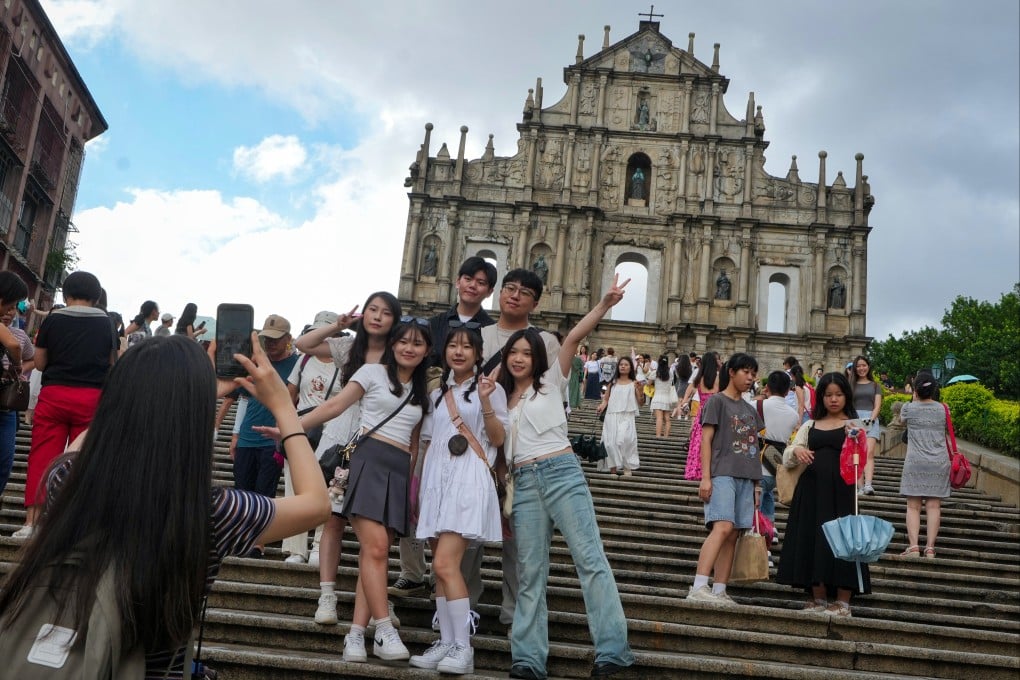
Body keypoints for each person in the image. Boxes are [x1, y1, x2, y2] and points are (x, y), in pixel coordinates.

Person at [0, 334, 329, 677]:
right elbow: (317, 504)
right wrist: (282, 406)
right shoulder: (214, 512)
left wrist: (139, 392)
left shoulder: (65, 480)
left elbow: (92, 442)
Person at [261, 315, 432, 663]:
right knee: (378, 548)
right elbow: (333, 406)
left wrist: (412, 488)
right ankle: (383, 628)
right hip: (368, 461)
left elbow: (414, 445)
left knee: (375, 555)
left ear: (427, 349)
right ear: (393, 344)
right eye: (403, 341)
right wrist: (290, 428)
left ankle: (356, 636)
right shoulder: (371, 373)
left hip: (397, 471)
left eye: (417, 343)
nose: (409, 348)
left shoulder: (421, 389)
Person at [497, 273, 634, 679]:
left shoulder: (551, 381)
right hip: (522, 484)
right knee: (529, 573)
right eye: (514, 352)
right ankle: (527, 658)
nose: (519, 357)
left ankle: (612, 651)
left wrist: (604, 304)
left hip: (562, 473)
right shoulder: (499, 398)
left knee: (590, 560)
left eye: (527, 352)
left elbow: (573, 337)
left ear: (538, 357)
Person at [292, 292, 401, 624]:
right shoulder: (349, 348)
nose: (377, 317)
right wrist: (336, 326)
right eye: (372, 310)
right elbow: (303, 344)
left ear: (395, 319)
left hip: (382, 437)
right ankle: (327, 595)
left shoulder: (401, 351)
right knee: (334, 519)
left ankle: (374, 594)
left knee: (378, 527)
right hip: (342, 434)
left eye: (385, 312)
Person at [410, 326, 507, 674]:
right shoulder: (437, 394)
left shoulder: (489, 390)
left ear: (478, 354)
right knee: (440, 568)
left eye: (467, 346)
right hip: (438, 481)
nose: (459, 351)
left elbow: (498, 439)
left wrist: (485, 401)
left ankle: (463, 648)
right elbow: (427, 443)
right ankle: (448, 642)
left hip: (468, 479)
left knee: (446, 565)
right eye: (453, 345)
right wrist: (417, 486)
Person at [479, 268, 560, 631]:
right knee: (466, 537)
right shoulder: (477, 336)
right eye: (508, 288)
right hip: (477, 454)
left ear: (536, 301)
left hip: (522, 459)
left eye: (523, 291)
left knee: (521, 541)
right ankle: (461, 605)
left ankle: (515, 612)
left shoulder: (547, 341)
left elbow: (551, 396)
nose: (514, 295)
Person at [15, 272, 118, 538]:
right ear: (96, 297)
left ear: (65, 294)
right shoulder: (106, 322)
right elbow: (112, 364)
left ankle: (32, 523)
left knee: (42, 455)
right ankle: (77, 525)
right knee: (83, 460)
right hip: (92, 399)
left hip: (54, 395)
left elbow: (39, 363)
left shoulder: (53, 319)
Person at [776, 372, 868, 617]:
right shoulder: (810, 424)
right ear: (821, 397)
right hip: (811, 491)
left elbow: (864, 457)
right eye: (828, 395)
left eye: (838, 394)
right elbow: (788, 453)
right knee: (812, 539)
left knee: (845, 541)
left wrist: (857, 441)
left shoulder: (853, 424)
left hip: (842, 491)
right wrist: (797, 452)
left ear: (846, 396)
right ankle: (818, 599)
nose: (834, 399)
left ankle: (843, 603)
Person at [685, 353, 762, 605]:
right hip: (721, 472)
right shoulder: (716, 402)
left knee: (734, 534)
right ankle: (698, 585)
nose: (750, 378)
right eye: (746, 372)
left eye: (753, 374)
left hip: (746, 477)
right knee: (722, 527)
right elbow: (706, 440)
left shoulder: (751, 410)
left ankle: (719, 590)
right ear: (732, 372)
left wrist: (757, 485)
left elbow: (754, 448)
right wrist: (705, 477)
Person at [281, 311, 343, 566]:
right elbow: (290, 393)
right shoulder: (304, 360)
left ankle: (319, 545)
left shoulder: (346, 362)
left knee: (329, 489)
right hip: (301, 430)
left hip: (333, 433)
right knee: (295, 488)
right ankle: (295, 548)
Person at [894, 371, 950, 558]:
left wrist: (914, 398)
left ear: (915, 390)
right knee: (934, 507)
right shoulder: (944, 409)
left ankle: (914, 547)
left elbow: (901, 423)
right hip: (939, 463)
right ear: (934, 389)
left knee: (913, 507)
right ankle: (930, 548)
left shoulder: (909, 408)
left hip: (915, 462)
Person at [756, 371, 800, 527]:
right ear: (787, 391)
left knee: (755, 509)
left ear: (767, 387)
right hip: (776, 466)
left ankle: (761, 535)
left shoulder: (756, 405)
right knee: (768, 494)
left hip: (758, 464)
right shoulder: (794, 415)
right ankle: (771, 529)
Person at [0, 271, 29, 497]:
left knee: (4, 463)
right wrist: (17, 366)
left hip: (5, 406)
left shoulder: (15, 330)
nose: (11, 312)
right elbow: (14, 345)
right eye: (9, 306)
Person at [675, 352, 721, 480]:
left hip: (701, 413)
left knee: (698, 442)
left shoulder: (699, 378)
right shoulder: (717, 378)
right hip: (714, 413)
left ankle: (695, 470)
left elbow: (690, 388)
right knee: (712, 442)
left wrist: (684, 400)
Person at [597, 355, 643, 476]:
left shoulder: (634, 383)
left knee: (626, 440)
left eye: (626, 364)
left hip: (627, 416)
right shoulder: (613, 383)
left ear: (630, 368)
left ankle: (627, 466)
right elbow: (606, 399)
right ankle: (613, 469)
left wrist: (640, 390)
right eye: (621, 364)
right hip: (612, 415)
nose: (623, 366)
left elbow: (641, 402)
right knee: (610, 443)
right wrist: (602, 406)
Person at [850, 355, 882, 495]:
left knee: (869, 453)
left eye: (864, 365)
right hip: (855, 420)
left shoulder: (875, 385)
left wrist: (870, 420)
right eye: (858, 366)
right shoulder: (850, 385)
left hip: (871, 419)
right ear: (855, 368)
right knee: (856, 453)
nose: (861, 368)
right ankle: (860, 486)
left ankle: (868, 484)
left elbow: (877, 405)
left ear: (868, 367)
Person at [650, 355, 678, 438]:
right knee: (667, 419)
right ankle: (666, 436)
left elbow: (648, 383)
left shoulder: (655, 372)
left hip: (657, 397)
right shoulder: (670, 373)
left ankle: (658, 436)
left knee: (659, 418)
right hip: (667, 398)